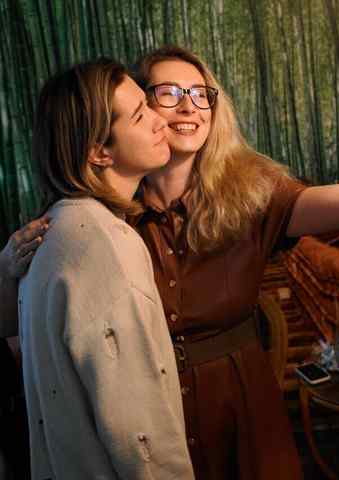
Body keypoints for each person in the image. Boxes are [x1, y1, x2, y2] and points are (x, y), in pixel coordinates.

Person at [1, 45, 339, 479]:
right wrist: (5, 274)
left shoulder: (252, 193)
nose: (189, 106)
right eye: (167, 94)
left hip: (241, 411)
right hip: (142, 420)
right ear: (136, 112)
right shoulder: (92, 224)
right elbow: (28, 337)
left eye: (200, 94)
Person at [12, 59, 194, 479]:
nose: (160, 120)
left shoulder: (55, 230)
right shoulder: (106, 245)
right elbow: (141, 433)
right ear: (99, 151)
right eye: (140, 115)